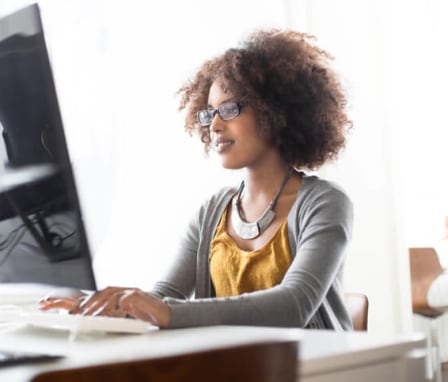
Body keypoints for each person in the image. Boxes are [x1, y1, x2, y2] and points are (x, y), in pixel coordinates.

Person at [41, 29, 354, 330]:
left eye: (230, 109)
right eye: (209, 112)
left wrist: (161, 310)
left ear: (276, 110)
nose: (214, 125)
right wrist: (102, 305)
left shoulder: (325, 203)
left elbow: (293, 306)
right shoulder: (212, 212)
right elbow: (165, 297)